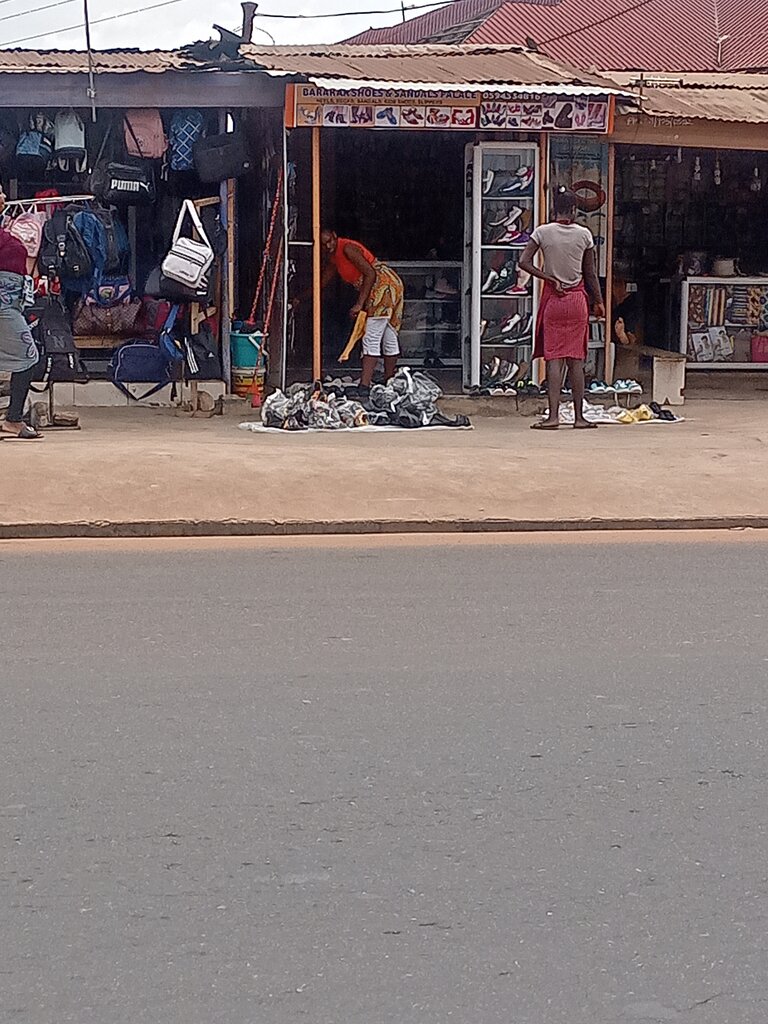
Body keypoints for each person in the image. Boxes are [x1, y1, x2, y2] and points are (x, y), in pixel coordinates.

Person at [519, 188, 605, 430]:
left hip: (554, 301)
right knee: (576, 359)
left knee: (554, 359)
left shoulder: (542, 232)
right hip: (577, 300)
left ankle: (553, 416)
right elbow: (590, 273)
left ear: (554, 210)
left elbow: (523, 262)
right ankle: (579, 417)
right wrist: (598, 302)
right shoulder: (585, 235)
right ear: (575, 211)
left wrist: (547, 277)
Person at [318, 230, 404, 392]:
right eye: (324, 244)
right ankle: (390, 382)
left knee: (371, 336)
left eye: (330, 241)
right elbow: (321, 283)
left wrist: (359, 304)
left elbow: (370, 273)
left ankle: (364, 385)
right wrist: (300, 297)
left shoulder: (347, 248)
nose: (328, 246)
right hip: (388, 285)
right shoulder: (333, 259)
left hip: (382, 286)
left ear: (335, 237)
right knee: (388, 334)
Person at [0, 183, 41, 440]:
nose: (4, 196)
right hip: (3, 304)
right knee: (28, 356)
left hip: (10, 301)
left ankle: (13, 418)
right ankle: (13, 419)